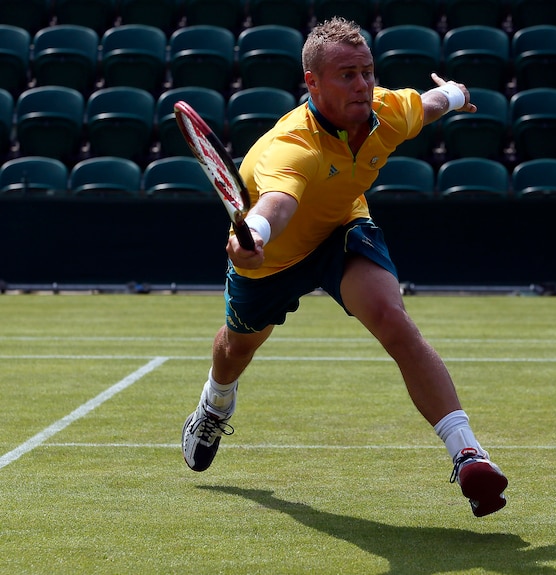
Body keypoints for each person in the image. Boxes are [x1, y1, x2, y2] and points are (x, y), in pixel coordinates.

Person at [181, 16, 508, 517]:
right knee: (236, 349)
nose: (362, 84)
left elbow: (430, 104)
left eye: (367, 71)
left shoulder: (386, 111)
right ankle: (216, 402)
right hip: (273, 256)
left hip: (342, 231)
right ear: (311, 82)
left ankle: (468, 455)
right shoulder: (292, 147)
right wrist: (256, 237)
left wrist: (459, 94)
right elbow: (276, 204)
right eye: (347, 75)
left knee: (393, 320)